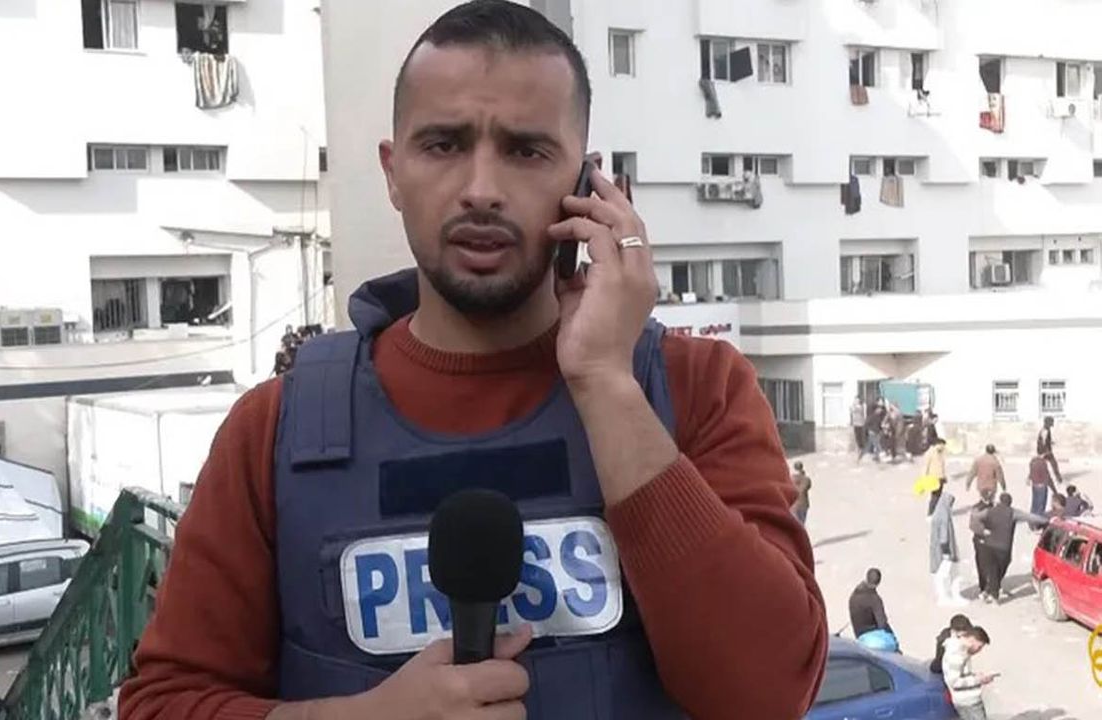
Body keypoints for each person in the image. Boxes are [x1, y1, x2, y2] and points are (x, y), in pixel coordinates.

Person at [118, 3, 827, 720]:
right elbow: (161, 704)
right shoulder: (273, 431)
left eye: (526, 151)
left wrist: (606, 384)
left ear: (587, 186)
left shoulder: (695, 389)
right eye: (443, 145)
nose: (481, 188)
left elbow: (767, 694)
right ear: (393, 173)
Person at [980, 493, 1045, 603]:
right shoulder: (1013, 513)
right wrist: (1046, 520)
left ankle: (988, 591)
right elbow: (1030, 517)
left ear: (1000, 501)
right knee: (1000, 568)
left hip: (989, 545)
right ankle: (993, 595)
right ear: (1010, 503)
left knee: (993, 570)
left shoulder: (990, 511)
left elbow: (977, 518)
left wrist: (982, 531)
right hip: (1003, 547)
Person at [941, 626, 996, 720]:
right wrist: (979, 680)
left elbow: (960, 675)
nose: (979, 651)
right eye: (979, 647)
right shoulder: (957, 655)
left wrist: (975, 676)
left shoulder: (960, 651)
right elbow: (955, 682)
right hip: (968, 702)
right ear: (972, 640)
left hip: (965, 701)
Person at [928, 478, 966, 607]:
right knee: (948, 574)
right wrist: (946, 553)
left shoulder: (937, 514)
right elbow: (944, 536)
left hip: (937, 551)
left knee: (941, 575)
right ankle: (948, 596)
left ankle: (944, 596)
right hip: (945, 552)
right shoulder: (944, 515)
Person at [848, 568, 893, 639]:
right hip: (873, 637)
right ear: (878, 582)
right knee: (892, 640)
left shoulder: (854, 596)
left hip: (859, 636)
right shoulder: (874, 599)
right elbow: (882, 624)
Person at [968, 489, 995, 600]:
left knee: (991, 564)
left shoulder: (993, 507)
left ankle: (990, 587)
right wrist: (983, 531)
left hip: (992, 540)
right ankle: (984, 588)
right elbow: (972, 525)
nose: (990, 499)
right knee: (983, 564)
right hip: (981, 540)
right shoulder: (977, 508)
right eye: (988, 497)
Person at [1028, 453, 1057, 517]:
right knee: (1041, 505)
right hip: (1042, 485)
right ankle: (1038, 518)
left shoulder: (1033, 461)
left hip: (1034, 485)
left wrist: (1029, 478)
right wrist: (1054, 490)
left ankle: (1032, 517)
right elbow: (1047, 477)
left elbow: (1031, 472)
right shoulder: (1043, 463)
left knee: (1034, 503)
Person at [1037, 416, 1063, 485]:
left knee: (1041, 464)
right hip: (1045, 451)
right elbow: (1042, 442)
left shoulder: (1045, 430)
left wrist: (1050, 442)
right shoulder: (1045, 431)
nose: (1052, 424)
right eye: (1051, 422)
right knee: (1053, 464)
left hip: (1044, 451)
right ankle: (1059, 479)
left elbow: (1044, 441)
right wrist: (1046, 451)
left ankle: (1058, 479)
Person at [792, 460, 812, 525]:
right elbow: (807, 487)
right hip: (803, 504)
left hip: (793, 504)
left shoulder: (790, 478)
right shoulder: (806, 479)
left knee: (796, 523)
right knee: (802, 522)